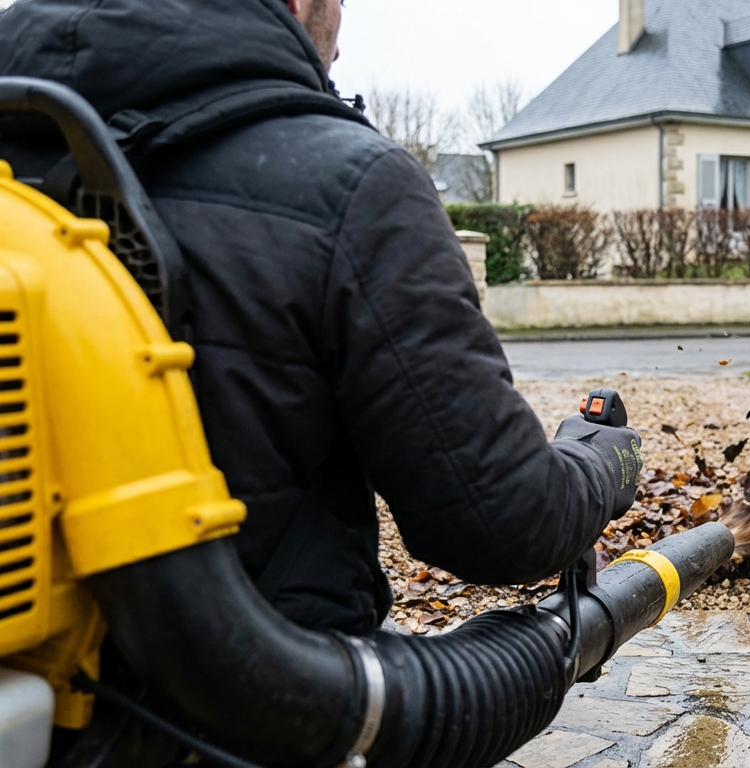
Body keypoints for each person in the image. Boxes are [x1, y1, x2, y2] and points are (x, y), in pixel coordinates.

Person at [0, 0, 643, 641]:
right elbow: (501, 522)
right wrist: (599, 461)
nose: (339, 41)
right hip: (252, 687)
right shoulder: (352, 186)